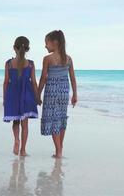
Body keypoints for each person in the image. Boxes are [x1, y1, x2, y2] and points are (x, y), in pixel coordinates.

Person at [38, 30, 78, 158]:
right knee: (61, 119)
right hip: (64, 92)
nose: (45, 46)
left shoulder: (48, 59)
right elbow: (73, 78)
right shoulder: (68, 58)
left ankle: (59, 151)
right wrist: (75, 95)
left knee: (54, 119)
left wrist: (38, 94)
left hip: (52, 92)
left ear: (55, 42)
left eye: (46, 43)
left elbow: (43, 78)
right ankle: (59, 149)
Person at [3, 36, 39, 156]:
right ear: (28, 49)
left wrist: (5, 98)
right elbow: (34, 82)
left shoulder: (8, 64)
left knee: (15, 121)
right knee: (25, 124)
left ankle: (16, 140)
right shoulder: (30, 64)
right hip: (27, 95)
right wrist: (37, 96)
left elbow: (6, 82)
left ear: (14, 48)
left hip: (13, 94)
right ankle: (23, 150)